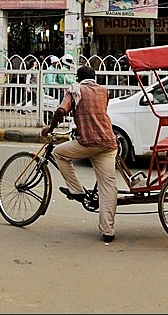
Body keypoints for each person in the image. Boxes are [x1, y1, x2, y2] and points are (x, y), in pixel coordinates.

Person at [41, 64, 118, 243]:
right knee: (108, 187)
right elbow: (96, 113)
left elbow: (61, 110)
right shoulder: (104, 91)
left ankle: (76, 191)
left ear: (78, 78)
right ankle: (108, 231)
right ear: (95, 78)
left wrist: (50, 127)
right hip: (108, 142)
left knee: (59, 154)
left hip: (88, 142)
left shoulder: (75, 89)